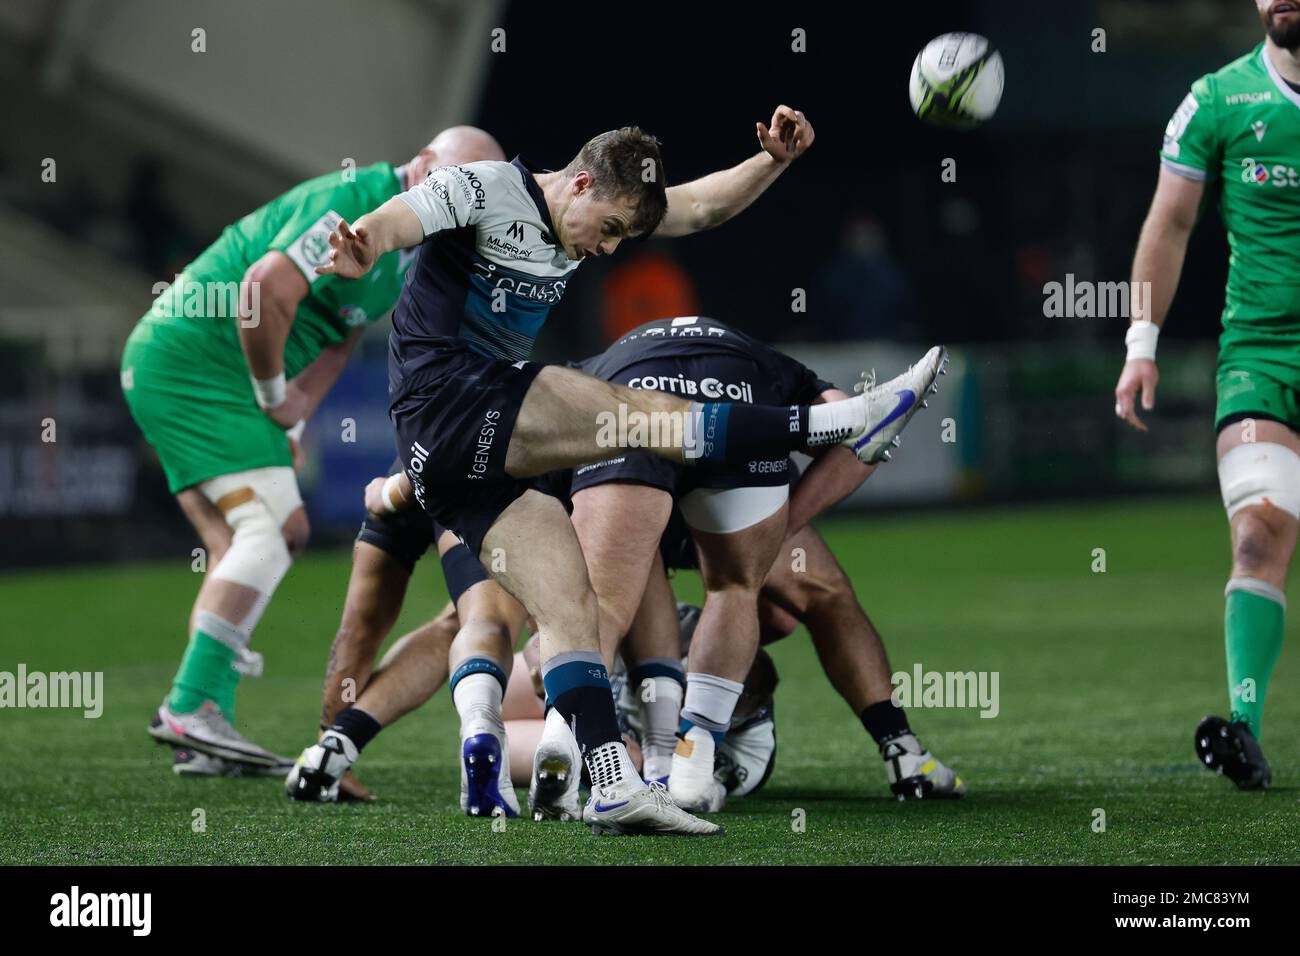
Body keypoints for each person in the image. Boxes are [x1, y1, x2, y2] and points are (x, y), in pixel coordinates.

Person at [121, 126, 506, 773]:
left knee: (241, 541)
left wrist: (295, 414)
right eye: (457, 186)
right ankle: (190, 707)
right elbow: (262, 290)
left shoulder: (404, 236)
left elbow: (341, 334)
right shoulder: (355, 202)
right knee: (271, 528)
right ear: (422, 166)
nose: (464, 206)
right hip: (199, 365)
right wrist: (274, 394)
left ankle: (200, 724)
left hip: (196, 366)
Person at [1115, 0, 1300, 790]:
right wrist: (1141, 344)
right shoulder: (1218, 100)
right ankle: (1245, 732)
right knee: (1258, 535)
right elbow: (1170, 223)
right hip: (1259, 358)